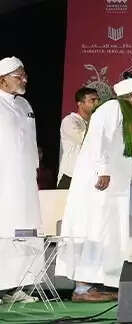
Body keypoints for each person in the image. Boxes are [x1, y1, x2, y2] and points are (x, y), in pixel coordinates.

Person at [56, 76, 132, 302]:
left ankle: (99, 283)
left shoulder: (130, 115)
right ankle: (82, 288)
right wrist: (103, 170)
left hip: (114, 188)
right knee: (93, 229)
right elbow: (98, 139)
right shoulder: (112, 108)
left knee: (109, 234)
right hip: (98, 183)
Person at [0, 56, 43, 303]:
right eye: (19, 75)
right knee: (4, 229)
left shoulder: (25, 104)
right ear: (3, 79)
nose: (24, 79)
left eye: (24, 74)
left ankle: (17, 285)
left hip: (25, 179)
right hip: (4, 180)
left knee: (25, 229)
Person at [58, 87, 100, 189]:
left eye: (98, 100)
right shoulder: (70, 121)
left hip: (90, 177)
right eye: (92, 100)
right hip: (70, 176)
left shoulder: (97, 122)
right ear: (80, 103)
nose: (97, 103)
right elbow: (86, 140)